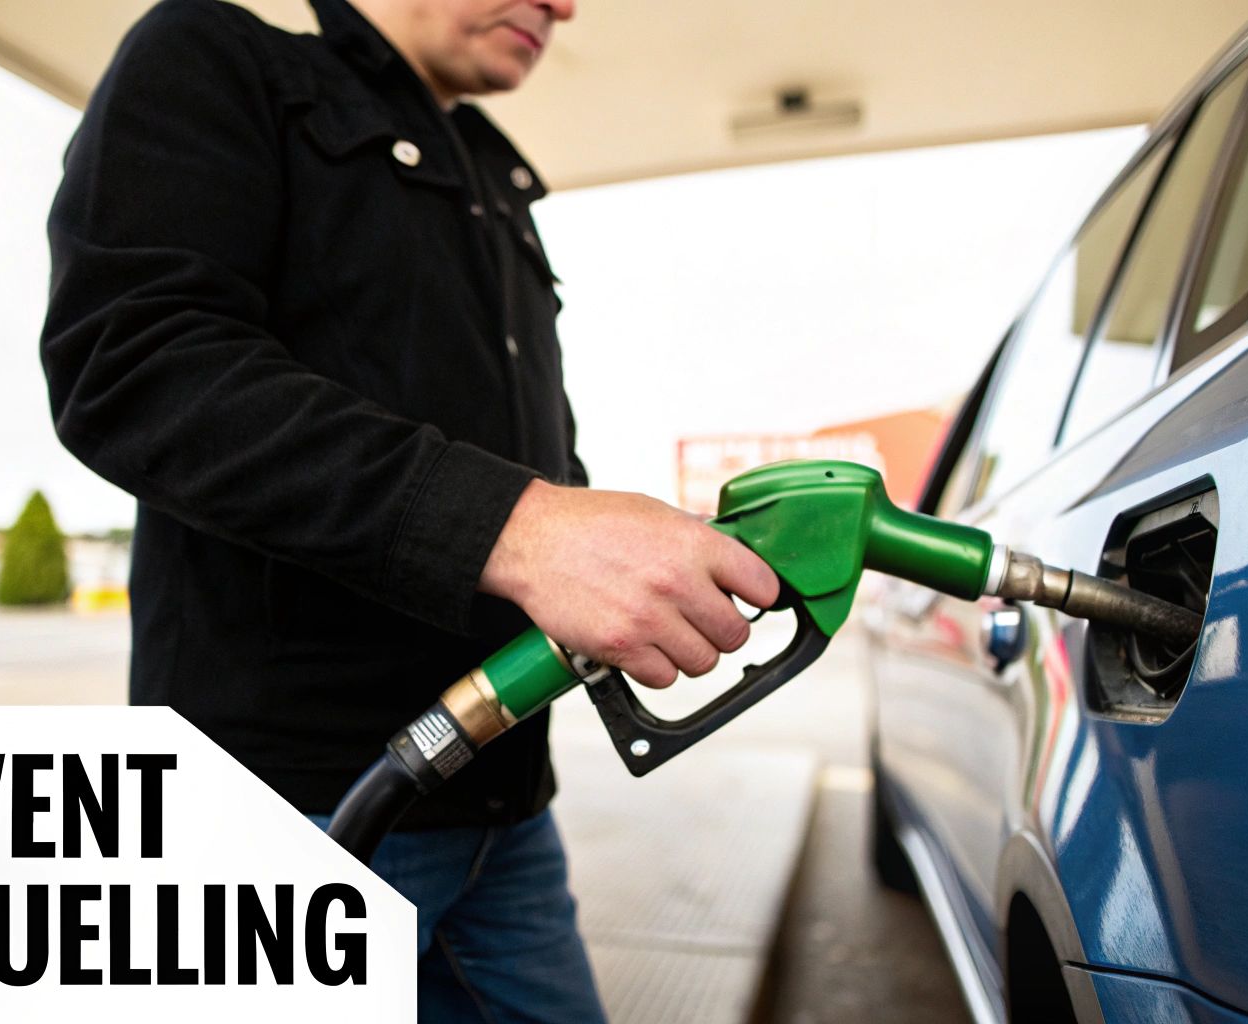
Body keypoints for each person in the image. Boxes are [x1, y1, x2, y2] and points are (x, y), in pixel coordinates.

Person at [40, 0, 778, 1018]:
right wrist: (524, 530)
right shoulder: (216, 58)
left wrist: (613, 553)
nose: (564, 6)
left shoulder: (492, 177)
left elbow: (523, 454)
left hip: (504, 806)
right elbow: (135, 365)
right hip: (292, 808)